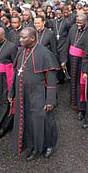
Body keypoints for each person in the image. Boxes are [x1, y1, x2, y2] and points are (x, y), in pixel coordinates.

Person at [8, 27, 59, 161]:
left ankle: (49, 145)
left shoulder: (44, 53)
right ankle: (33, 146)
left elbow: (52, 80)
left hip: (39, 93)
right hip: (22, 93)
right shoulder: (21, 52)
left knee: (44, 120)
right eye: (20, 37)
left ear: (32, 38)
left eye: (23, 37)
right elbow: (16, 72)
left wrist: (50, 100)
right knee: (28, 120)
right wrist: (12, 92)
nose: (20, 40)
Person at [61, 13, 88, 120]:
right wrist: (64, 59)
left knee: (81, 84)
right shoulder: (73, 29)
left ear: (86, 22)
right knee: (73, 82)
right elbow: (67, 43)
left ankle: (82, 108)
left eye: (80, 23)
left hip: (83, 60)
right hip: (71, 59)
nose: (78, 24)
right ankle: (74, 103)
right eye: (77, 22)